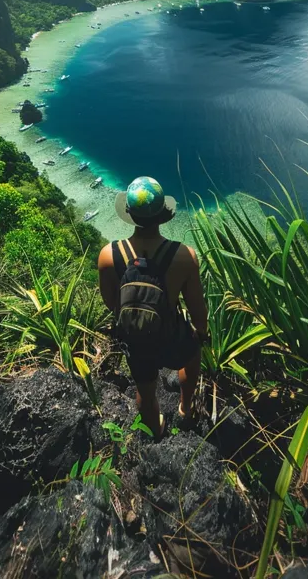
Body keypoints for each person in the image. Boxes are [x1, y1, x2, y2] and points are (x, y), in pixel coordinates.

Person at [98, 176, 208, 438]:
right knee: (192, 357)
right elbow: (197, 308)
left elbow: (111, 302)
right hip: (171, 336)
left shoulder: (108, 255)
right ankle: (185, 408)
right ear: (163, 213)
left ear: (129, 213)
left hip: (135, 338)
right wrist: (201, 333)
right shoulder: (184, 256)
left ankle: (155, 431)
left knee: (145, 391)